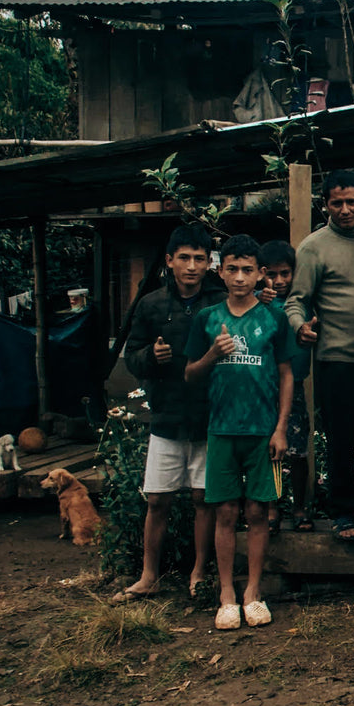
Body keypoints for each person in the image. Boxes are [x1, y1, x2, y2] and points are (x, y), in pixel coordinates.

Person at [285, 169, 354, 542]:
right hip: (337, 359)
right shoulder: (314, 247)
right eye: (338, 203)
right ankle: (343, 513)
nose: (346, 209)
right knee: (341, 438)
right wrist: (300, 325)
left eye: (352, 202)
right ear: (326, 204)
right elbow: (296, 300)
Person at [185, 234, 293, 630]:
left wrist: (281, 428)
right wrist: (213, 354)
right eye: (232, 269)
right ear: (220, 271)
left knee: (258, 511)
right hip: (222, 430)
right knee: (226, 511)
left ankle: (253, 592)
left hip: (263, 432)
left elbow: (286, 373)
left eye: (248, 269)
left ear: (260, 273)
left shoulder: (274, 317)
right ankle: (226, 594)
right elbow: (190, 374)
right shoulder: (207, 318)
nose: (240, 277)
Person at [116, 224, 224, 602]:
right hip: (165, 416)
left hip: (209, 415)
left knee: (203, 498)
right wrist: (152, 357)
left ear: (210, 262)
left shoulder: (221, 301)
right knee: (158, 499)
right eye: (184, 258)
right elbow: (132, 357)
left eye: (199, 258)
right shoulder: (151, 305)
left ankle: (198, 573)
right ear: (169, 261)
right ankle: (149, 575)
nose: (192, 266)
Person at [257, 240, 314, 533]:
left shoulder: (304, 301)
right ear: (261, 273)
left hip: (295, 386)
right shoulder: (256, 302)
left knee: (298, 450)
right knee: (269, 450)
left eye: (285, 274)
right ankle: (271, 507)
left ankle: (300, 507)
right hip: (264, 389)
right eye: (272, 274)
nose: (279, 281)